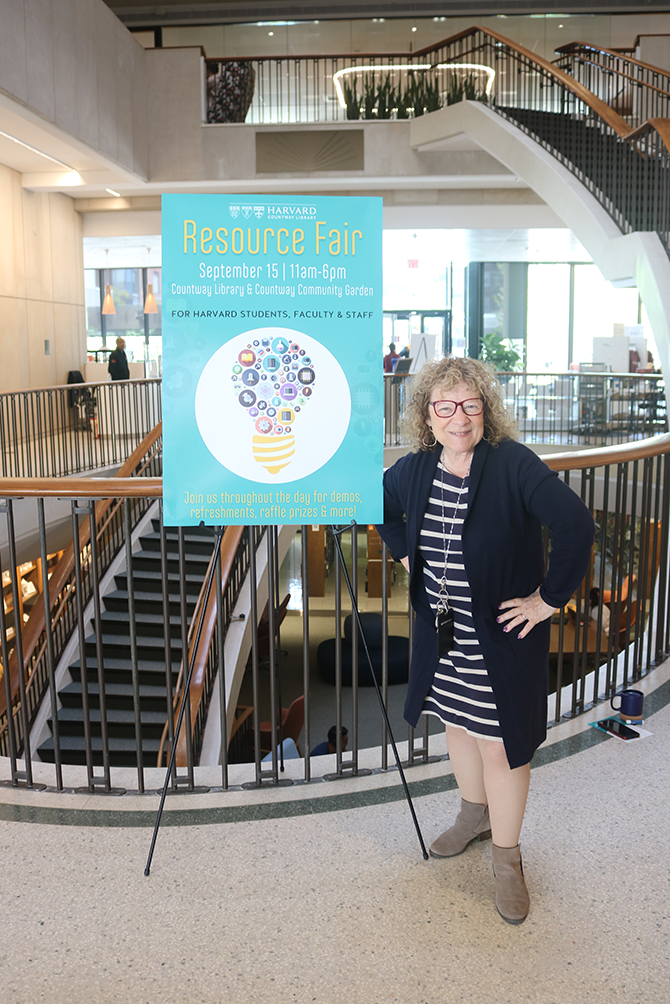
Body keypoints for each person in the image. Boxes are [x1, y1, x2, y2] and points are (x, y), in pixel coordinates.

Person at [376, 356, 594, 924]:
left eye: (470, 405)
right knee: (459, 725)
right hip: (441, 634)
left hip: (500, 637)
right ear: (427, 415)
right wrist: (404, 552)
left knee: (502, 743)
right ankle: (474, 815)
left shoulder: (512, 464)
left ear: (485, 409)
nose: (458, 418)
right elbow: (381, 506)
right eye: (445, 407)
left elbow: (575, 525)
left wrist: (548, 600)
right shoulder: (416, 467)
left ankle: (507, 857)